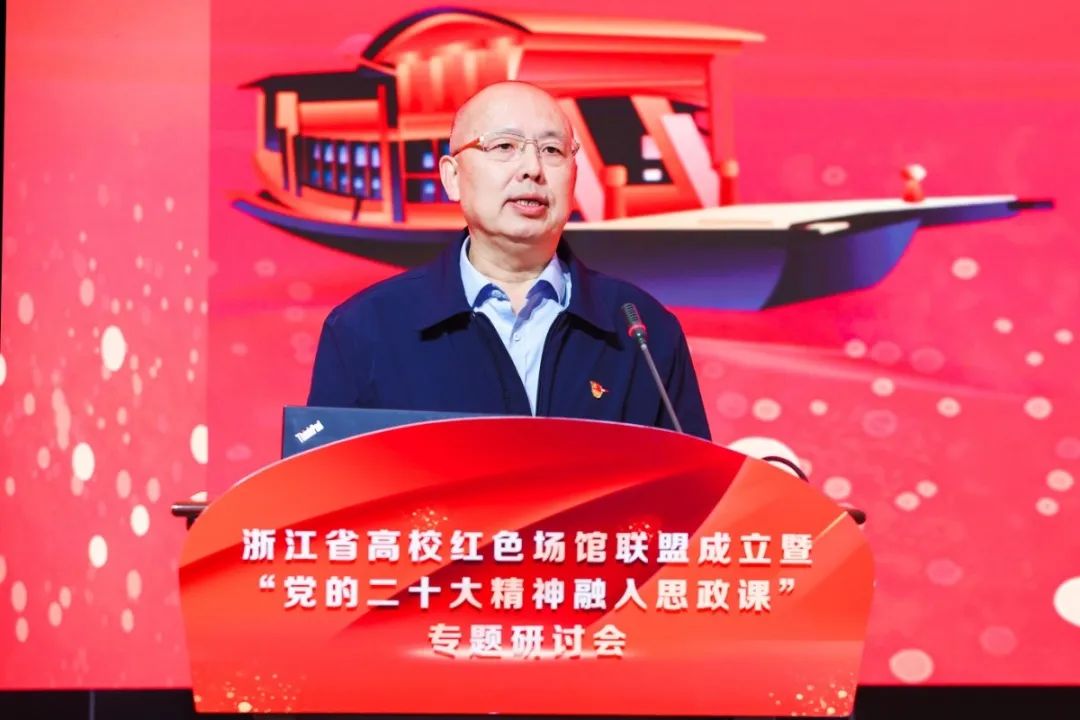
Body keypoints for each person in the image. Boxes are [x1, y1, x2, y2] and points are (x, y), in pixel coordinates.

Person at [307, 81, 711, 441]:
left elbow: (695, 490)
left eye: (552, 150)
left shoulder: (640, 329)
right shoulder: (367, 329)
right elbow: (324, 488)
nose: (532, 169)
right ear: (452, 177)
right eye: (504, 147)